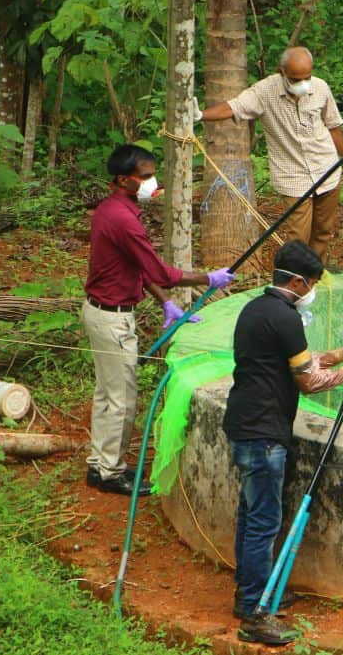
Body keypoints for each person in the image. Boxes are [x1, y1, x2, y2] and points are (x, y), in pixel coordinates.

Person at [223, 240, 343, 645]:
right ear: (296, 281)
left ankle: (249, 592)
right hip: (264, 434)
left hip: (243, 423)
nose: (311, 291)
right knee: (264, 521)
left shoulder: (256, 309)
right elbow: (308, 382)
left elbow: (299, 362)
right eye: (310, 284)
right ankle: (255, 612)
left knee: (250, 512)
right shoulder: (286, 318)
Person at [83, 143, 235, 496]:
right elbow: (158, 270)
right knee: (121, 397)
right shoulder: (122, 219)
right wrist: (207, 278)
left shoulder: (114, 210)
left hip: (102, 311)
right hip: (111, 318)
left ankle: (100, 463)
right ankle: (109, 472)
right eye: (147, 177)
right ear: (124, 180)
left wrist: (166, 303)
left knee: (108, 393)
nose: (154, 183)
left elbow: (137, 267)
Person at [199, 47, 343, 265]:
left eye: (307, 77)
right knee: (298, 238)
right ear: (281, 72)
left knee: (324, 231)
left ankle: (314, 276)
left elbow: (333, 127)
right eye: (295, 79)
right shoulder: (264, 92)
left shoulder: (320, 88)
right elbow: (233, 108)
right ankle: (295, 280)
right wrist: (200, 116)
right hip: (293, 177)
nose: (303, 84)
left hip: (326, 169)